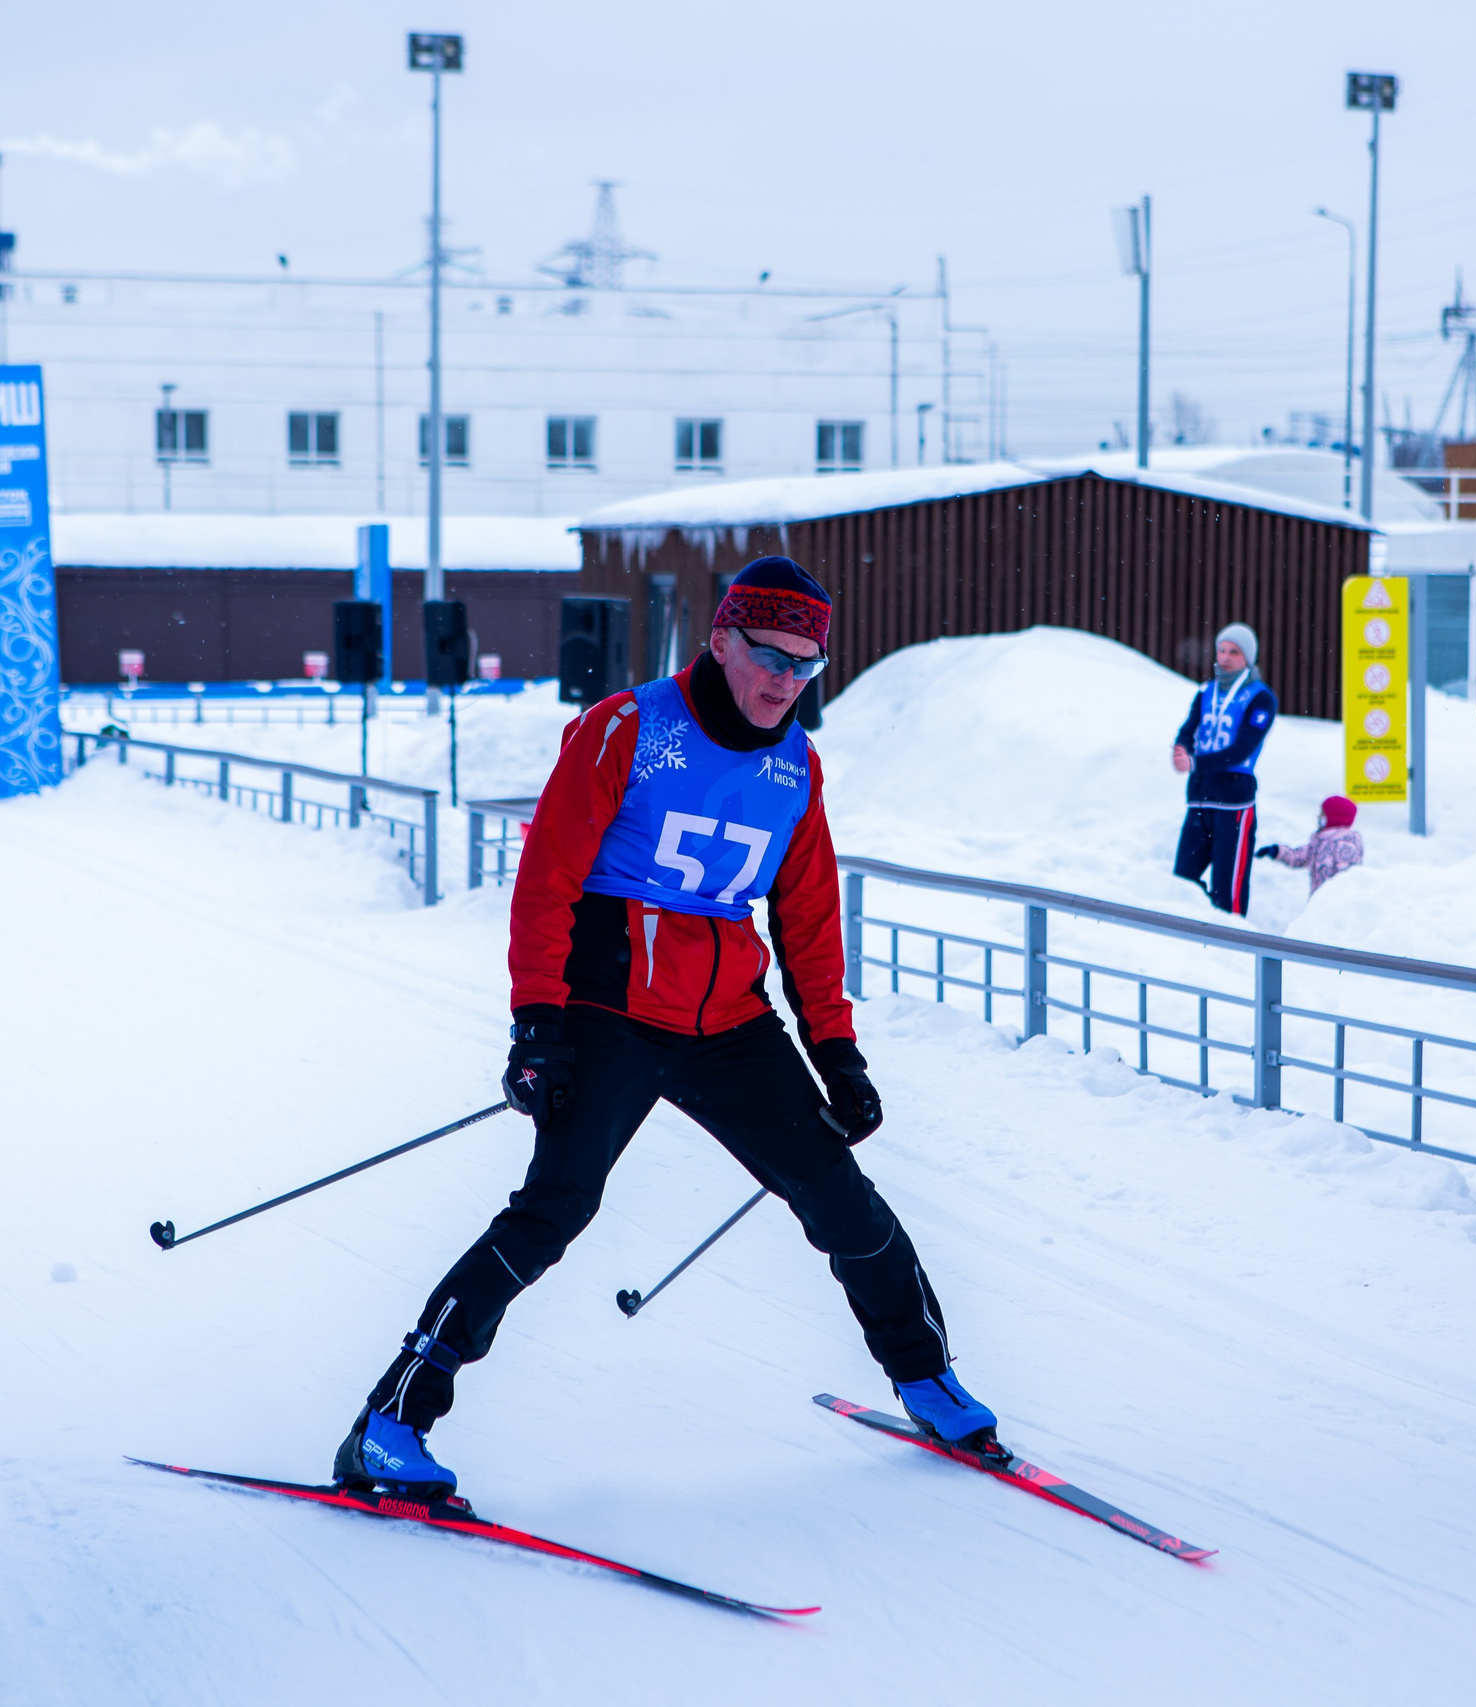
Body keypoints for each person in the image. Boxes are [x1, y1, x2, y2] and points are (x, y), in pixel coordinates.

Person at [334, 555, 996, 1502]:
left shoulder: (795, 764)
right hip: (607, 1016)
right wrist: (536, 1024)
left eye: (806, 664)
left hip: (730, 1021)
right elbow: (548, 881)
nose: (784, 679)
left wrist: (837, 1053)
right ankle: (390, 1422)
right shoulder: (628, 729)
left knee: (842, 1201)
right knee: (554, 1210)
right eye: (769, 654)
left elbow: (806, 918)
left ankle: (925, 1374)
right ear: (721, 639)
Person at [1169, 623, 1277, 915]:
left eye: (1234, 652)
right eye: (1221, 650)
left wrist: (1196, 763)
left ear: (1249, 659)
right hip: (1200, 797)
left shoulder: (1260, 697)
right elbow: (1188, 729)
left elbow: (1243, 747)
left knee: (1227, 891)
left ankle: (1231, 949)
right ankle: (1194, 931)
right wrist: (1180, 749)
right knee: (1182, 881)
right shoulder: (1206, 691)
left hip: (1233, 802)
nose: (1225, 657)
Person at [1257, 795, 1364, 895]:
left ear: (1335, 817)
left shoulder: (1345, 845)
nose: (1319, 816)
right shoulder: (1320, 841)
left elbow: (1347, 880)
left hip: (1335, 904)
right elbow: (1298, 857)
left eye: (1323, 814)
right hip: (1318, 902)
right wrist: (1277, 851)